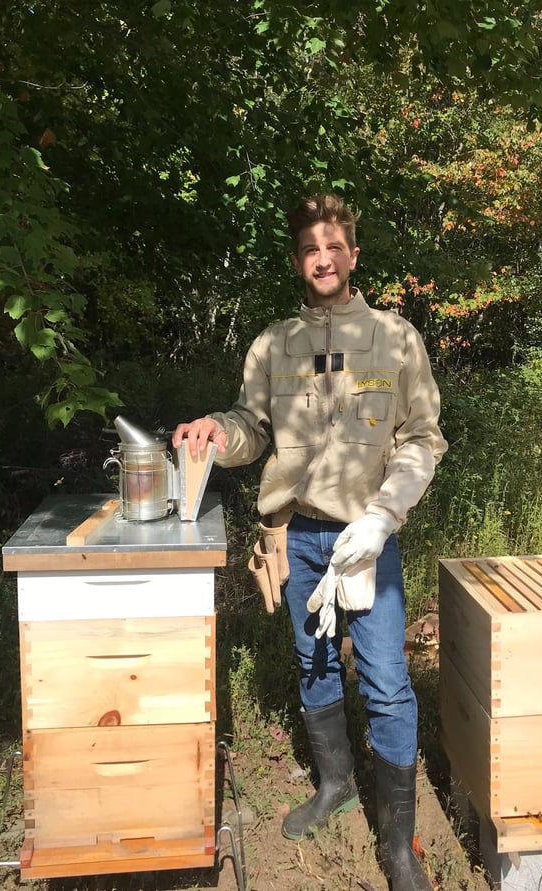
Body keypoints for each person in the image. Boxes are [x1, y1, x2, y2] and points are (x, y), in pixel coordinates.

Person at [172, 193, 447, 891]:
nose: (322, 259)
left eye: (333, 246)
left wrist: (384, 515)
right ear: (299, 261)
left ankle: (399, 843)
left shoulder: (396, 338)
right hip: (293, 536)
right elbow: (251, 427)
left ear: (353, 255)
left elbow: (421, 439)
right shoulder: (274, 343)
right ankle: (336, 783)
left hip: (367, 538)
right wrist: (218, 432)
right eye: (309, 249)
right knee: (314, 663)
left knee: (386, 681)